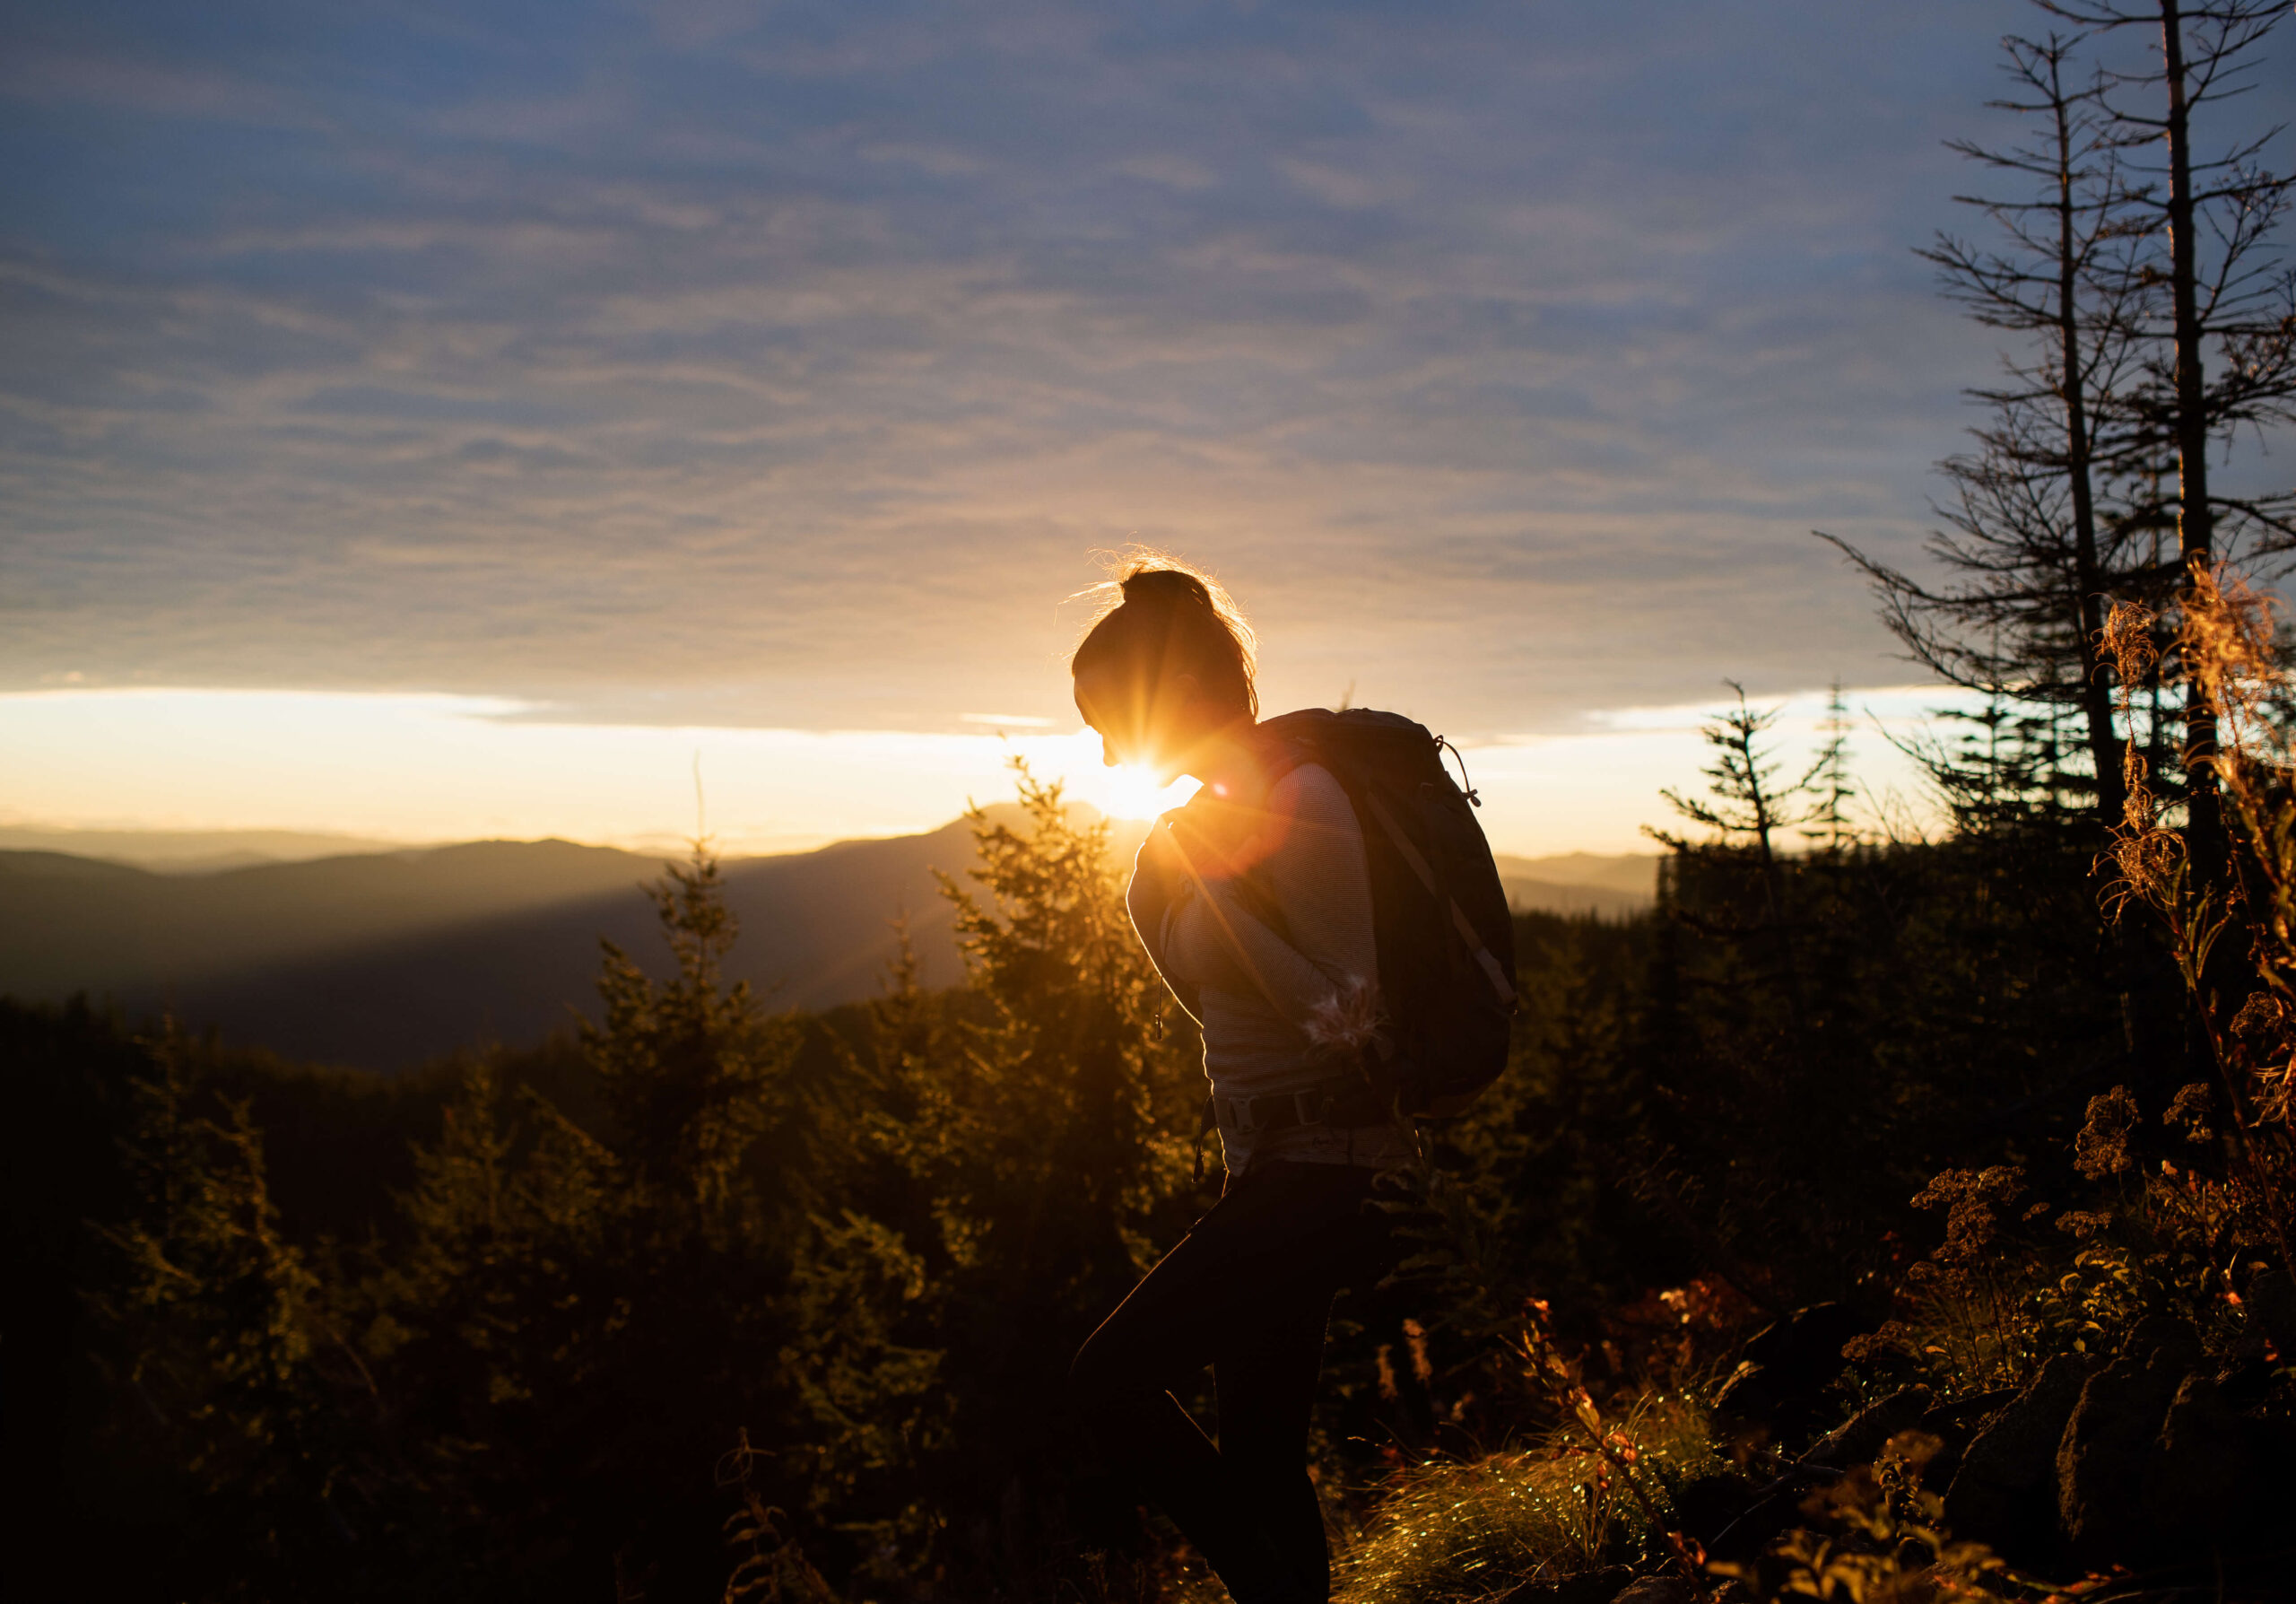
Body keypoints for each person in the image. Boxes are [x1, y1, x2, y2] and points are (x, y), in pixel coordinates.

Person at [1067, 557, 1407, 1604]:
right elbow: (1229, 1013)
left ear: (1170, 694)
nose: (1107, 747)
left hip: (1326, 1160)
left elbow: (1352, 1019)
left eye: (1106, 718)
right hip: (1268, 1163)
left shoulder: (1301, 798)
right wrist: (1159, 900)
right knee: (1262, 1455)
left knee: (1104, 1385)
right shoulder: (1202, 825)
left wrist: (1221, 912)